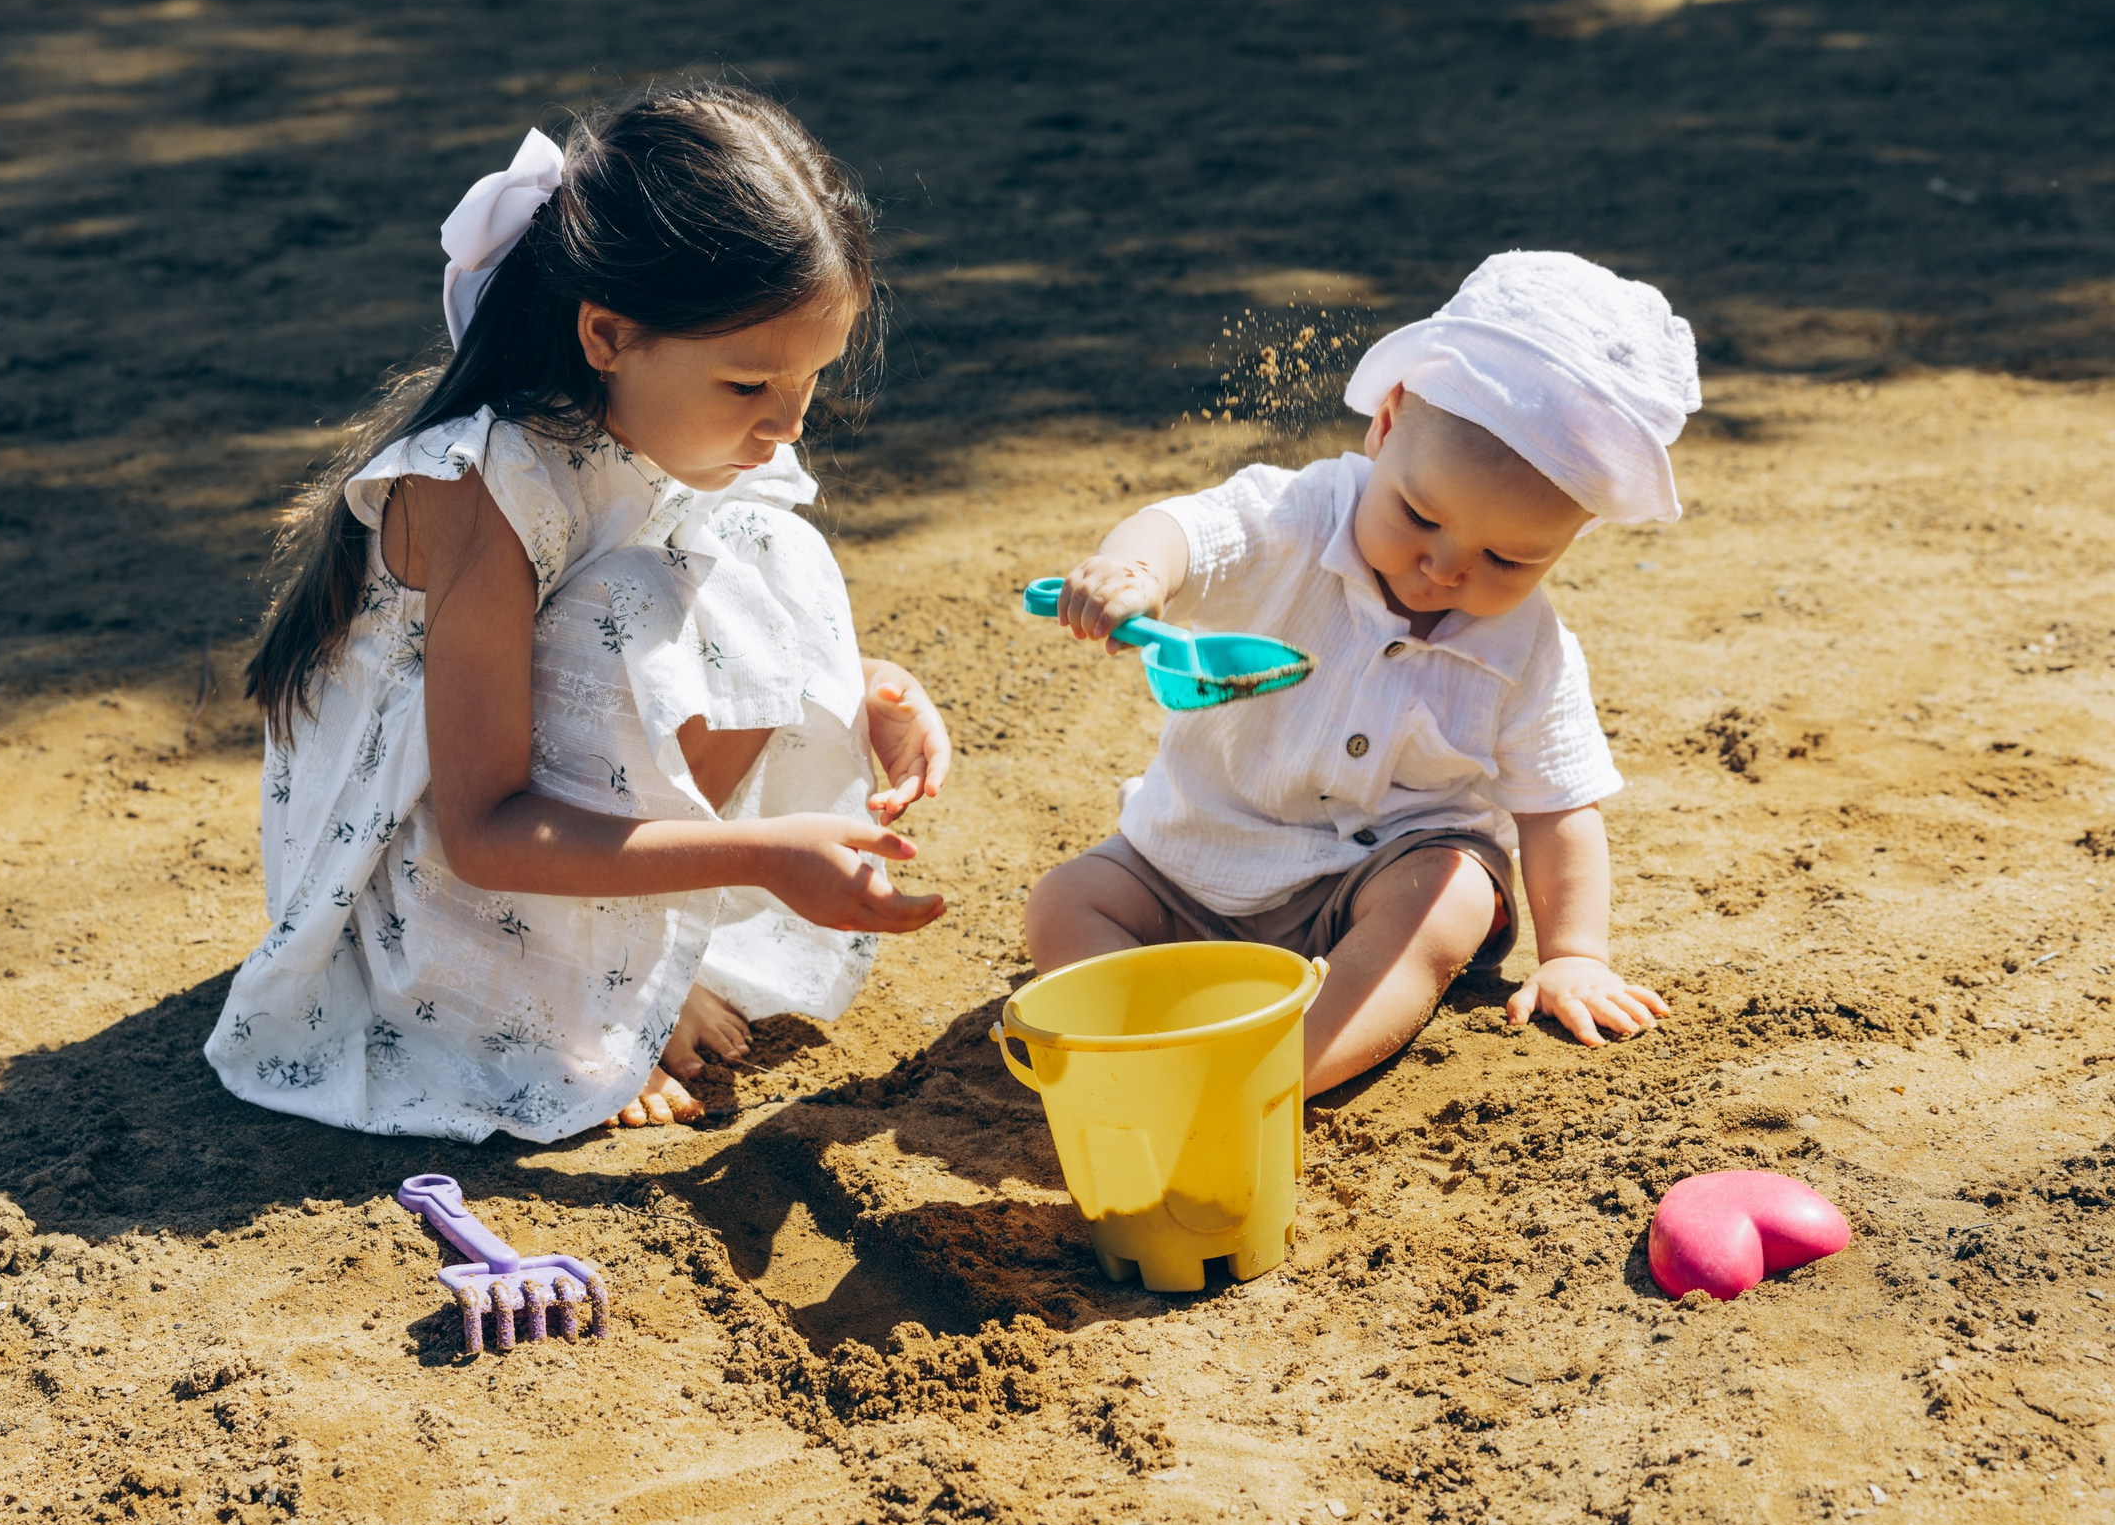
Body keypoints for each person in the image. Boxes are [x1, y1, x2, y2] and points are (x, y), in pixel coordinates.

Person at [207, 84, 951, 1143]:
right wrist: (761, 853)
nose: (786, 424)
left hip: (546, 832)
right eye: (748, 385)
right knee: (670, 584)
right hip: (436, 888)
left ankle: (629, 961)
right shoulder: (480, 487)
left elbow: (724, 636)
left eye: (810, 382)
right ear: (605, 333)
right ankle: (573, 1007)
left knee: (762, 552)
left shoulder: (670, 422)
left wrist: (864, 686)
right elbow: (483, 832)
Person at [1025, 251, 1697, 1095]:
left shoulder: (1528, 649)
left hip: (1378, 877)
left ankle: (1275, 1072)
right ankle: (1150, 1041)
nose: (1446, 568)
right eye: (1419, 514)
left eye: (1507, 558)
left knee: (1451, 893)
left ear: (1570, 538)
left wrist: (1575, 955)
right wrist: (1133, 572)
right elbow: (1187, 531)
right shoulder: (1296, 516)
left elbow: (1559, 808)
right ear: (1386, 424)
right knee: (1063, 903)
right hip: (1195, 860)